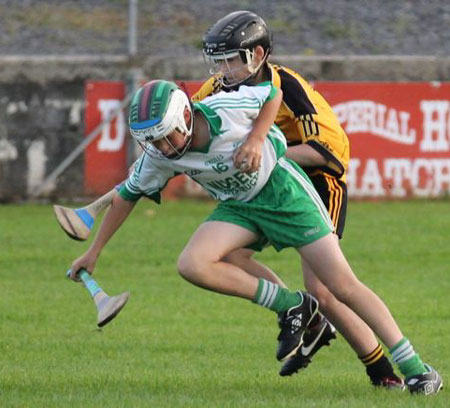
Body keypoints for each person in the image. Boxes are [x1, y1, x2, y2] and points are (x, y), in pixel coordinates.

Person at [70, 79, 442, 395]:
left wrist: (256, 139)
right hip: (240, 208)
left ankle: (416, 367)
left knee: (340, 286)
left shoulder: (223, 108)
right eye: (154, 143)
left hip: (284, 195)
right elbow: (125, 198)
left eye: (167, 137)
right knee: (193, 263)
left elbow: (271, 95)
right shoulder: (160, 156)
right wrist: (94, 252)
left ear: (185, 116)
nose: (164, 148)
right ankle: (293, 305)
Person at [193, 10, 438, 390]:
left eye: (231, 59)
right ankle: (300, 311)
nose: (222, 70)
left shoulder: (288, 88)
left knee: (328, 288)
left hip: (316, 181)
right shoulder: (218, 88)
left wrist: (263, 149)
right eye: (218, 60)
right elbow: (187, 122)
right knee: (227, 256)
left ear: (257, 55)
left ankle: (394, 370)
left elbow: (329, 154)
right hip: (263, 185)